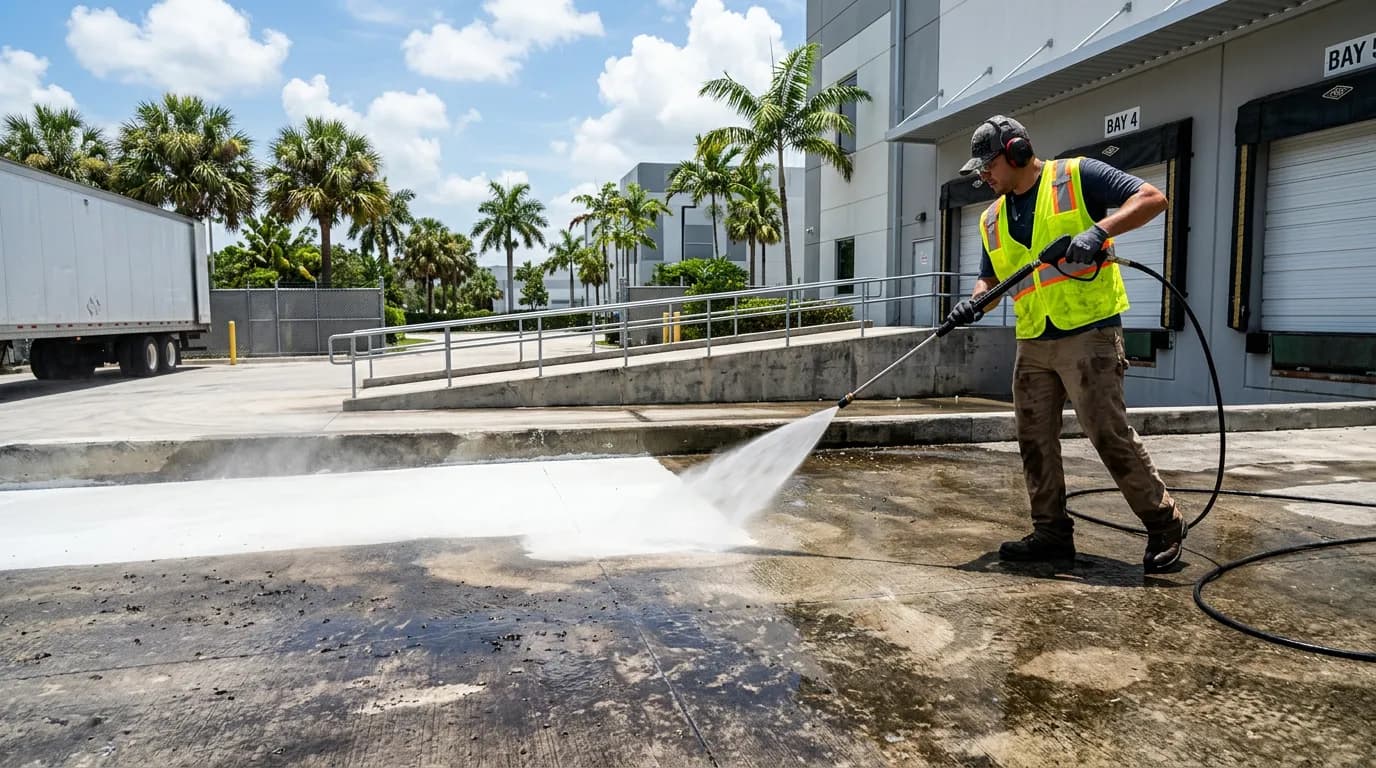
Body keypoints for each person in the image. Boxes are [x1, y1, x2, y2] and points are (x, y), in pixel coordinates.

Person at [946, 115, 1186, 574]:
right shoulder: (990, 217)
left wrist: (1100, 231)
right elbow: (990, 277)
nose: (983, 175)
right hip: (1033, 339)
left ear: (1016, 152)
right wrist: (974, 302)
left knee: (1107, 433)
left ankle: (1164, 523)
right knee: (1034, 440)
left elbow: (1153, 198)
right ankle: (1051, 533)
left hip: (1089, 332)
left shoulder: (1076, 176)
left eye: (988, 165)